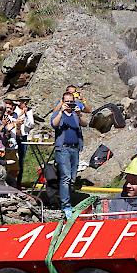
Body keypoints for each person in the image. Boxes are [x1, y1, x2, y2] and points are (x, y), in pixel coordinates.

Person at [51, 91, 89, 219]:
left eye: (71, 102)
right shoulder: (58, 114)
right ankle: (65, 205)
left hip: (75, 148)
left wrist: (79, 114)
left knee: (72, 178)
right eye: (66, 101)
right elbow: (53, 124)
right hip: (63, 149)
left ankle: (66, 199)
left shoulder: (74, 114)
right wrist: (61, 112)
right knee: (66, 177)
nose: (69, 104)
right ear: (62, 101)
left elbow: (84, 123)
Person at [13, 96, 35, 188]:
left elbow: (31, 124)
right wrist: (20, 114)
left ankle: (18, 182)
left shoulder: (29, 111)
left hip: (23, 136)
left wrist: (26, 115)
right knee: (15, 158)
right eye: (23, 102)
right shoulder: (14, 110)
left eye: (27, 102)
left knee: (21, 160)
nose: (25, 104)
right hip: (14, 136)